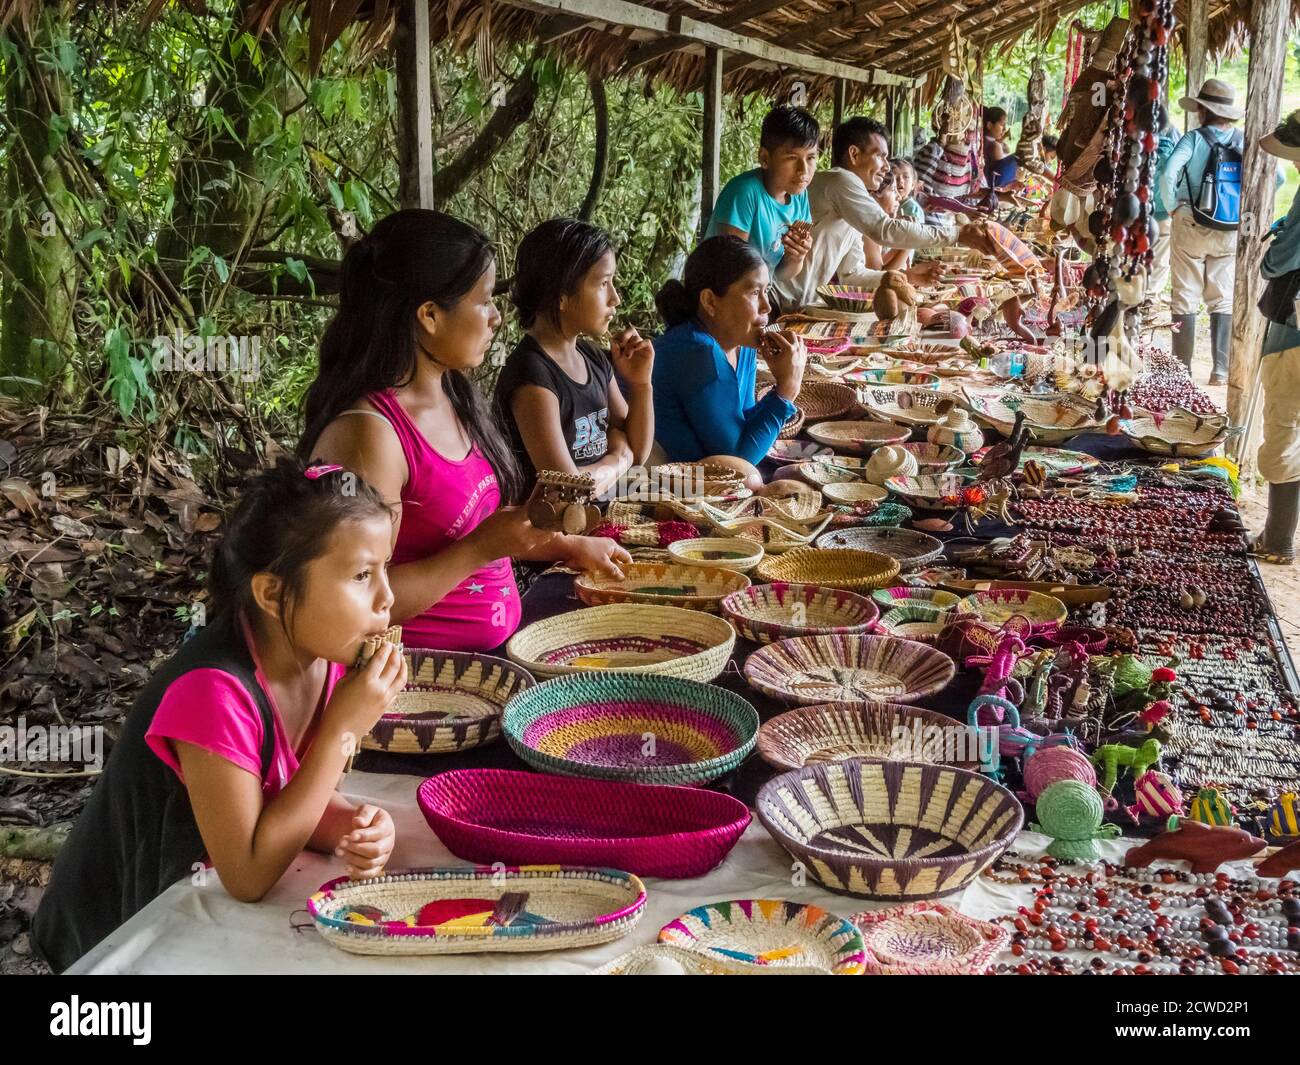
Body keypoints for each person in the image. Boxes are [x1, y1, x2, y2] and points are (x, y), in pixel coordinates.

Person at [33, 457, 410, 972]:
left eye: (385, 567)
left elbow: (286, 790)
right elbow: (249, 875)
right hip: (121, 932)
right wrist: (341, 733)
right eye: (363, 575)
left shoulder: (322, 661)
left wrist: (353, 824)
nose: (387, 598)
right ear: (273, 593)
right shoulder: (213, 693)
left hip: (205, 903)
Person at [299, 210, 629, 653]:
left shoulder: (453, 395)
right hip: (425, 683)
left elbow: (478, 528)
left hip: (498, 653)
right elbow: (354, 597)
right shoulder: (370, 435)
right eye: (484, 300)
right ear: (430, 315)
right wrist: (479, 550)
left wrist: (570, 546)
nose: (496, 318)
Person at [496, 218, 655, 498]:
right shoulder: (532, 376)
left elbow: (639, 451)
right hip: (553, 534)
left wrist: (642, 385)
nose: (615, 298)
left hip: (604, 514)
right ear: (562, 295)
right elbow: (569, 491)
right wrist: (618, 457)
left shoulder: (591, 356)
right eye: (604, 283)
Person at [651, 235, 807, 488]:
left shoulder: (741, 344)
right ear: (711, 301)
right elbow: (737, 465)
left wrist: (783, 389)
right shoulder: (697, 352)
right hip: (656, 482)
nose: (767, 306)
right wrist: (786, 391)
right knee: (757, 481)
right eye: (755, 292)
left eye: (766, 291)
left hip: (707, 473)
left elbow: (742, 426)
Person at [1159, 78, 1246, 384]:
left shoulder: (1193, 139)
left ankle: (1182, 372)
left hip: (1191, 224)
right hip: (1229, 228)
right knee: (1221, 297)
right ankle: (1220, 370)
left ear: (1202, 110)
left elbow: (1169, 174)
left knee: (1185, 295)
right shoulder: (1242, 139)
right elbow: (1273, 178)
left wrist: (1172, 206)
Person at [1250, 110, 1300, 565]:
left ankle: (1279, 538)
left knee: (1285, 424)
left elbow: (1279, 262)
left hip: (1295, 335)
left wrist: (1277, 245)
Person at [705, 105, 817, 285]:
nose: (803, 170)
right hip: (722, 293)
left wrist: (796, 257)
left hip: (755, 294)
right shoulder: (745, 192)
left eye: (811, 158)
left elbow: (780, 275)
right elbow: (732, 267)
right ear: (765, 158)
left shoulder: (799, 196)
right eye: (792, 158)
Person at [1148, 106, 1180, 308]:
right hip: (1164, 208)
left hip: (1137, 207)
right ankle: (1150, 294)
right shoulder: (1173, 134)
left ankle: (1136, 290)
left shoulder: (1134, 135)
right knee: (1160, 255)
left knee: (1136, 251)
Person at [983, 106, 1020, 189]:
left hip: (990, 183)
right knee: (1018, 156)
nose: (1004, 129)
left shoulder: (987, 141)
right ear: (989, 125)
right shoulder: (994, 145)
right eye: (1002, 125)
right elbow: (1000, 173)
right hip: (995, 185)